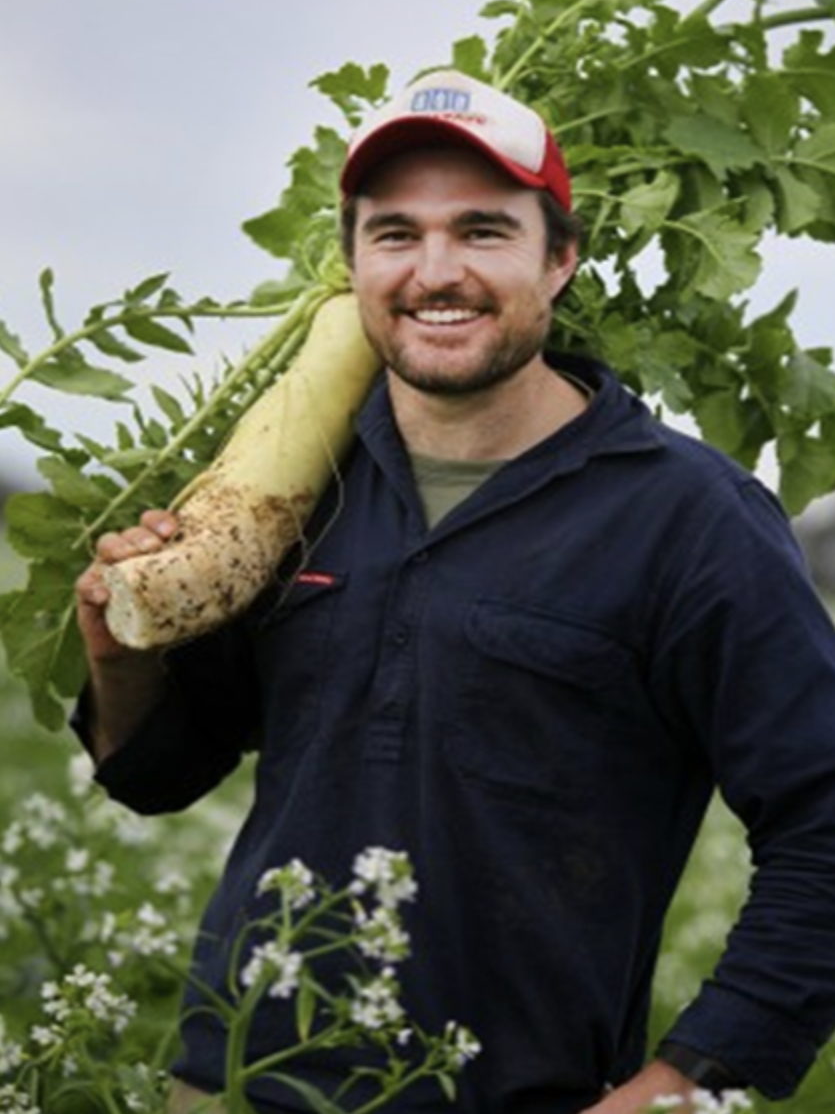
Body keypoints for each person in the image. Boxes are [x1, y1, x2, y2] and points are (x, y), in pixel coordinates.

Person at [73, 69, 835, 1114]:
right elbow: (159, 773)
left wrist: (682, 1082)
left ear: (560, 259)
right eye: (395, 234)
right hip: (228, 1081)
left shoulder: (691, 520)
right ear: (351, 263)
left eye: (482, 231)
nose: (436, 271)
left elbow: (823, 820)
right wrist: (121, 654)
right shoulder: (292, 491)